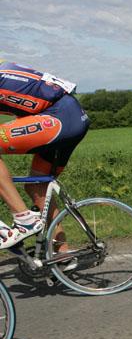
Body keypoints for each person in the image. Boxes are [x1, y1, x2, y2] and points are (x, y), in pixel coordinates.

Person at [0, 60, 90, 248]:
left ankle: (24, 219)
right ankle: (62, 253)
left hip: (59, 117)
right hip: (70, 115)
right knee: (37, 187)